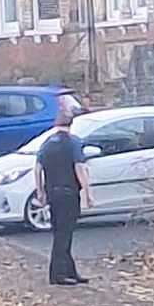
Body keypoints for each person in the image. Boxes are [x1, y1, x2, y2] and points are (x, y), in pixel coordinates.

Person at [34, 111, 94, 286]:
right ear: (71, 124)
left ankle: (70, 271)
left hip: (53, 192)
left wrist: (40, 191)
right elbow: (79, 167)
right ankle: (57, 274)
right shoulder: (73, 142)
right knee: (64, 234)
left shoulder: (46, 144)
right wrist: (88, 192)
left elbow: (37, 168)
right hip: (68, 192)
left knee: (59, 231)